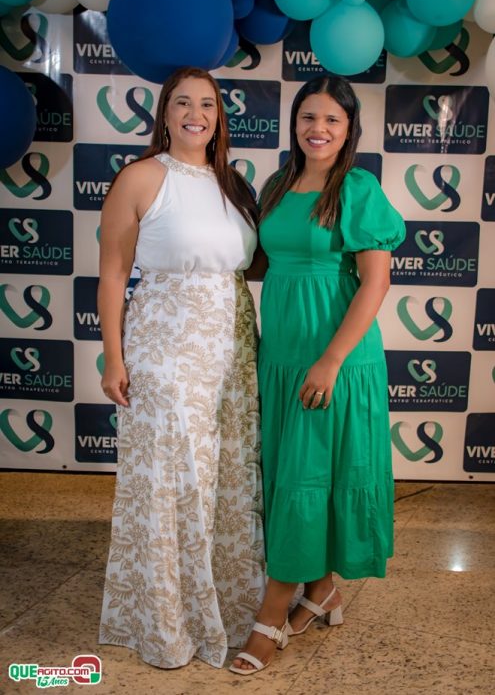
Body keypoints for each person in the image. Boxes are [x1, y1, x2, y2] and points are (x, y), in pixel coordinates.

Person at [230, 75, 406, 675]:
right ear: (294, 122)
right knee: (296, 474)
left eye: (332, 119)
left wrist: (330, 361)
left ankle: (272, 613)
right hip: (281, 353)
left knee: (305, 477)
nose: (318, 129)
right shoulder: (278, 184)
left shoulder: (356, 187)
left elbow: (376, 282)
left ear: (349, 127)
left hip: (336, 354)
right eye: (308, 116)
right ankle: (323, 590)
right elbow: (263, 261)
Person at [97, 66, 265, 669]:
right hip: (165, 347)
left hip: (232, 349)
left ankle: (226, 606)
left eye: (208, 104)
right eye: (184, 103)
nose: (197, 114)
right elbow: (113, 273)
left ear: (219, 117)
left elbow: (247, 266)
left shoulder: (233, 184)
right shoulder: (141, 177)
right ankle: (167, 623)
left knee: (227, 480)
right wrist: (113, 356)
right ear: (165, 113)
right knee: (173, 482)